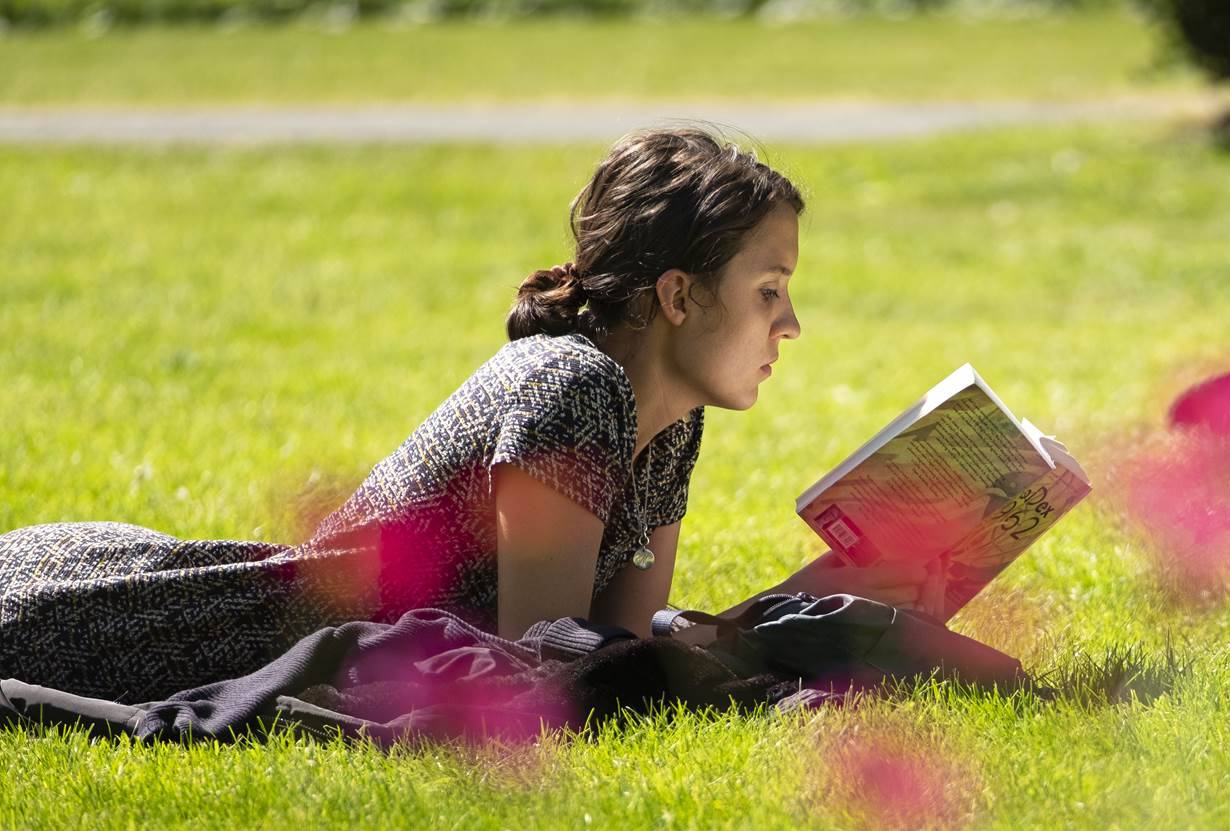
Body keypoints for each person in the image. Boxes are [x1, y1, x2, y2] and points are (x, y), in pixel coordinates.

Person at [0, 127, 939, 703]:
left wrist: (848, 588)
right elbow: (555, 657)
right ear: (680, 296)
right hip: (153, 633)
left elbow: (626, 638)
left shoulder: (670, 424)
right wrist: (789, 631)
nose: (793, 323)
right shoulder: (571, 387)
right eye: (770, 289)